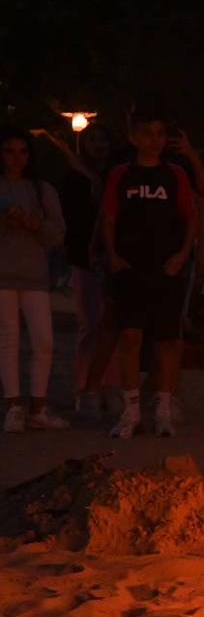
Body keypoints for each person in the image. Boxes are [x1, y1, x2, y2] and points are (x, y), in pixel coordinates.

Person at [100, 110, 198, 438]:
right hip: (130, 267)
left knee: (166, 341)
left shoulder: (174, 175)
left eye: (159, 133)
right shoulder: (121, 174)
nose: (153, 140)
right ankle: (131, 412)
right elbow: (110, 216)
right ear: (134, 138)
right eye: (147, 133)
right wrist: (113, 255)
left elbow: (190, 217)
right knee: (130, 336)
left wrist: (181, 256)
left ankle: (164, 410)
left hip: (165, 267)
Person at [45, 125, 124, 416]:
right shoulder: (73, 179)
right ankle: (85, 386)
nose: (97, 145)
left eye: (102, 138)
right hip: (85, 259)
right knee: (90, 324)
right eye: (91, 138)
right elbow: (72, 218)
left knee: (112, 324)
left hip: (114, 257)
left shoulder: (117, 174)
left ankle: (110, 384)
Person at [1, 129, 68, 432]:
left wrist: (31, 223)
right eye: (9, 151)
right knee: (8, 340)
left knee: (43, 341)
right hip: (2, 275)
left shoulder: (42, 191)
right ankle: (14, 405)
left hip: (34, 275)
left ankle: (37, 406)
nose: (16, 159)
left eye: (22, 152)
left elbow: (57, 234)